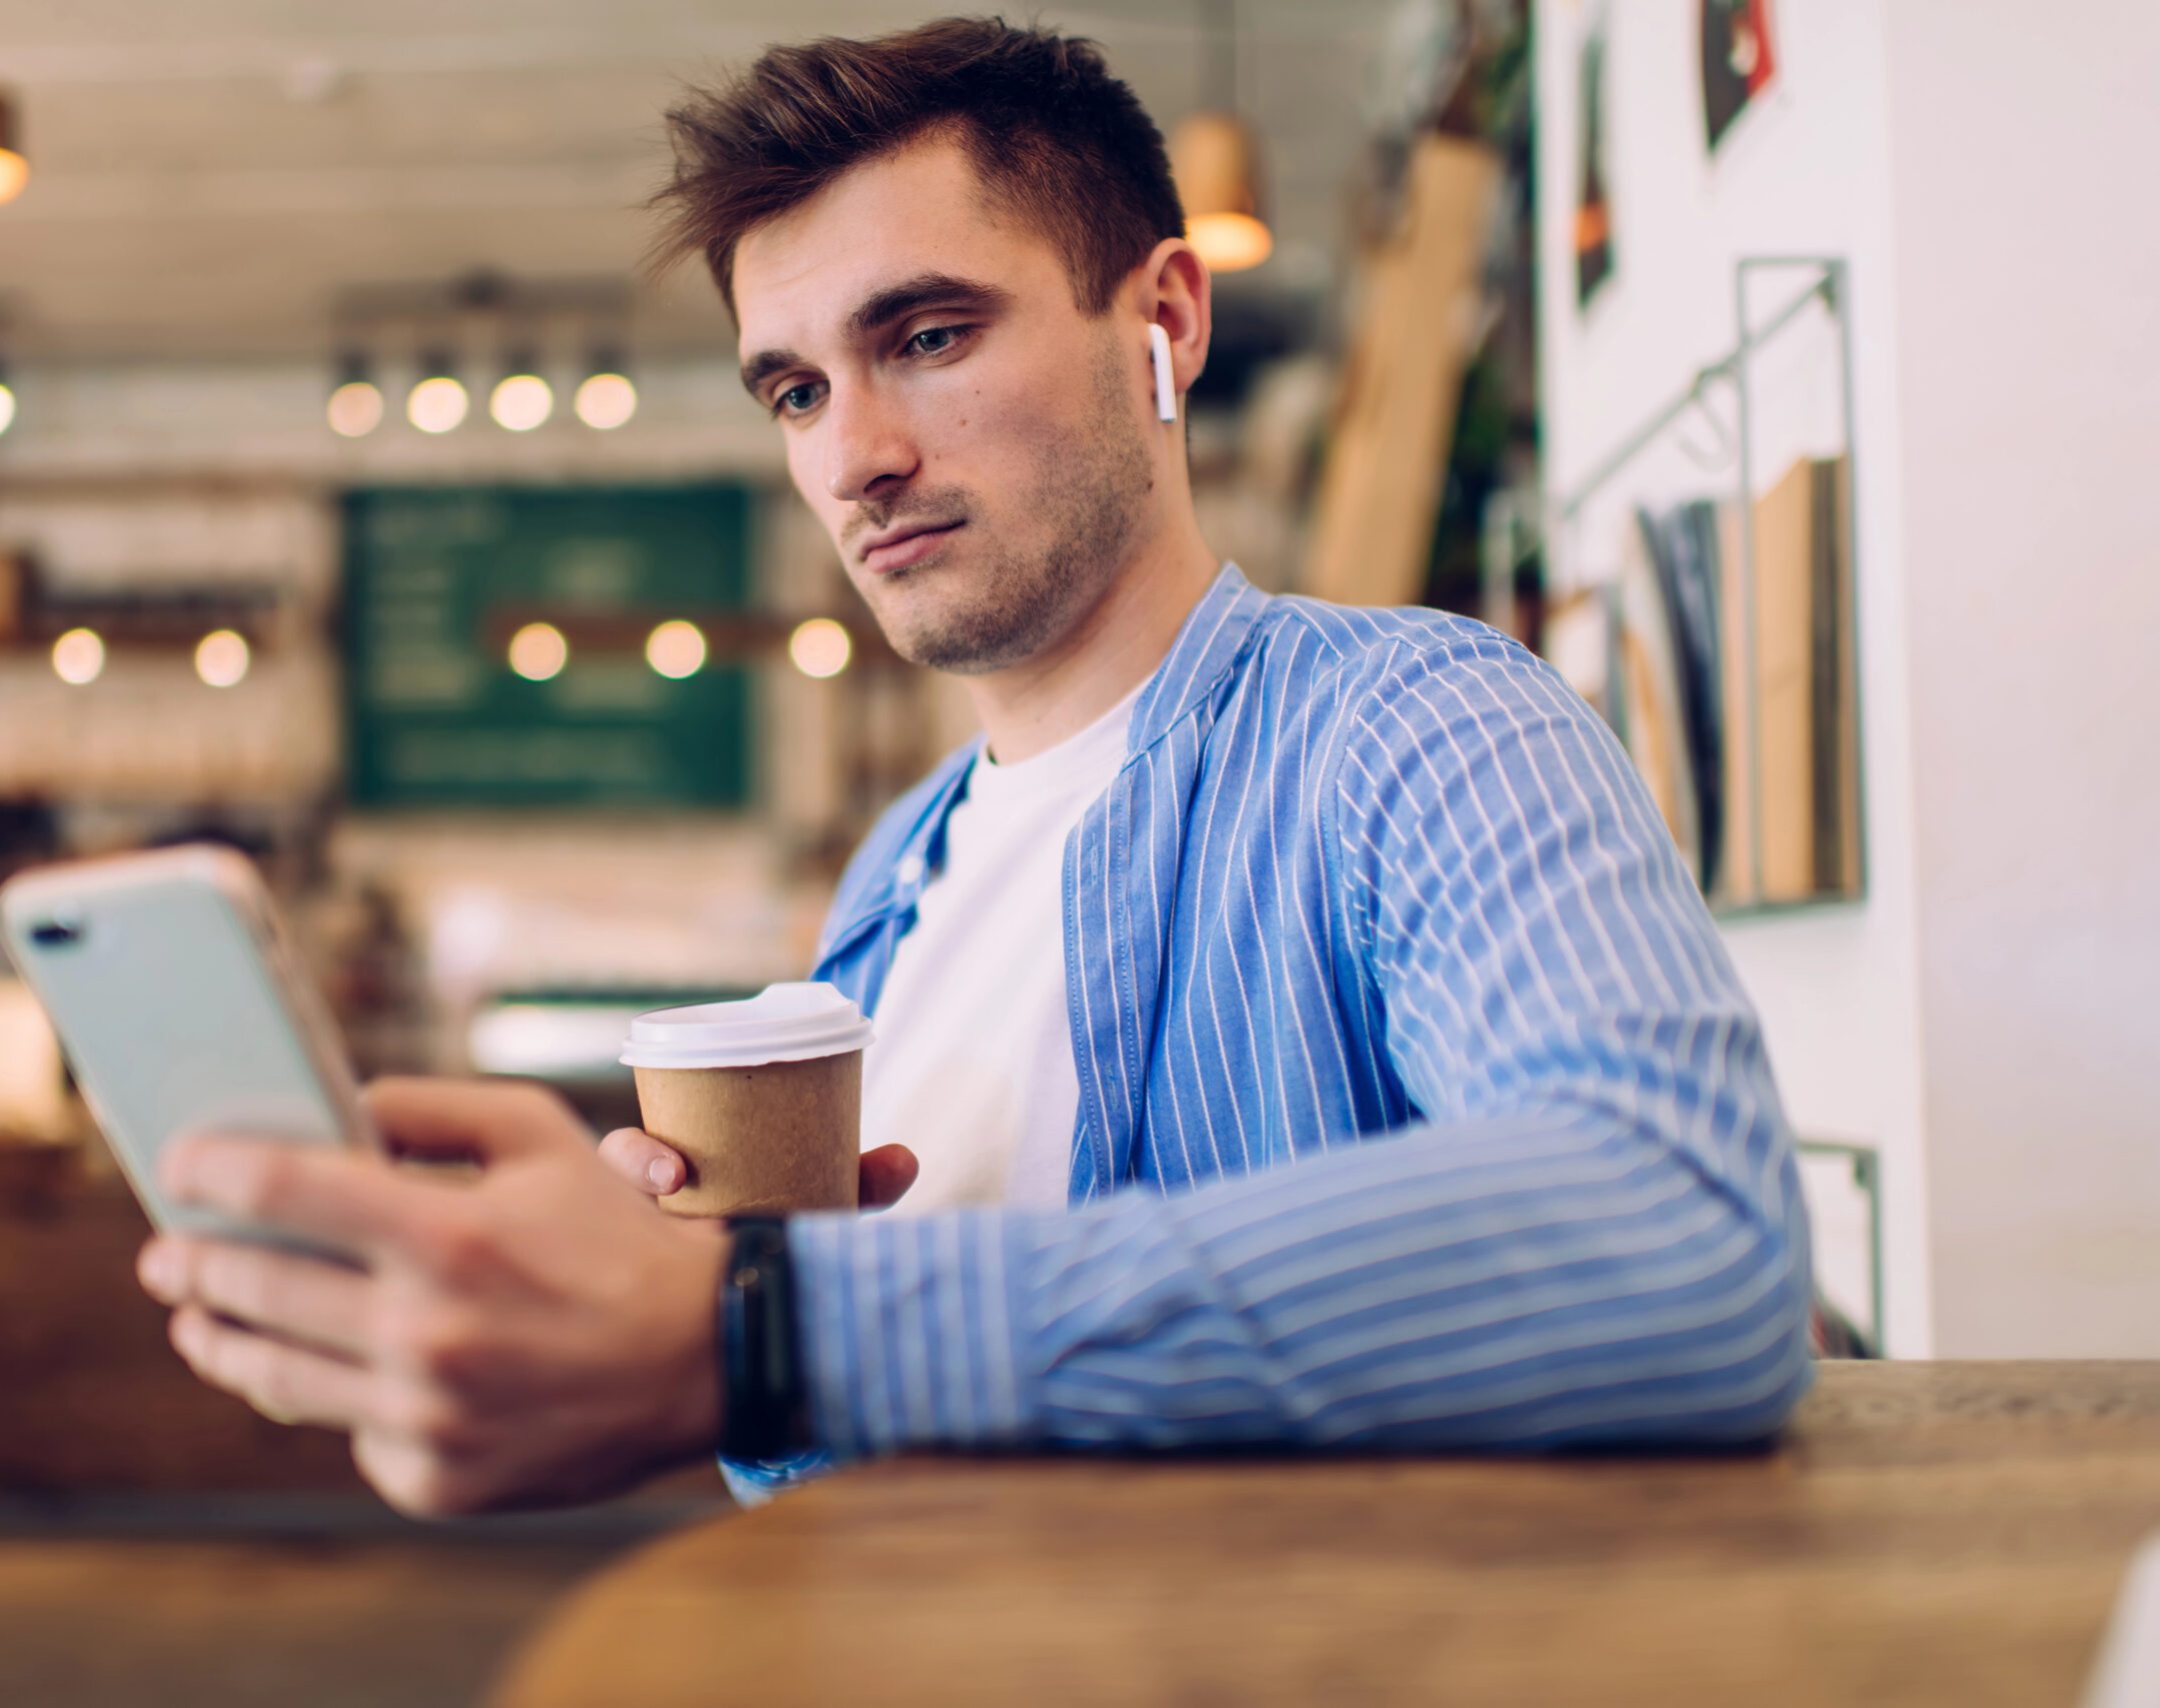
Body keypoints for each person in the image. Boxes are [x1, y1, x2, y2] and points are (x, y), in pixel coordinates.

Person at [135, 17, 1813, 1518]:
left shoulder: (1408, 728)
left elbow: (1686, 1232)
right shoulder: (890, 882)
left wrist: (765, 1331)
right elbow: (825, 1443)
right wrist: (666, 1302)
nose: (856, 456)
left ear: (1161, 317)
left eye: (927, 336)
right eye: (795, 388)